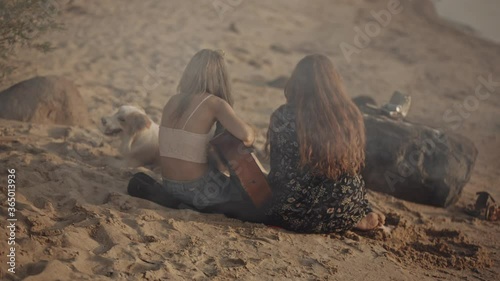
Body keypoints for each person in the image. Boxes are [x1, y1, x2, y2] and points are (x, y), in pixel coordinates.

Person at [129, 49, 260, 221]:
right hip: (198, 188)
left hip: (169, 184)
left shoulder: (173, 100)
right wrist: (252, 129)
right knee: (248, 196)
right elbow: (246, 136)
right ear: (220, 77)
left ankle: (181, 202)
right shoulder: (215, 103)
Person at [264, 54, 385, 233]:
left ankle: (348, 216)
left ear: (297, 82)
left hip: (293, 212)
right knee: (343, 180)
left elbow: (280, 171)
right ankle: (354, 216)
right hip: (343, 203)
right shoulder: (348, 116)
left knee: (281, 197)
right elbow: (351, 167)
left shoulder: (284, 116)